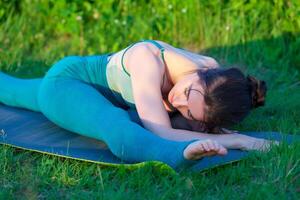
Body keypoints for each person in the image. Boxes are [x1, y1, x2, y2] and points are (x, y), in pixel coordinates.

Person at [0, 39, 277, 170]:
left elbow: (196, 116)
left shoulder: (210, 75)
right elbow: (163, 132)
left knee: (9, 89)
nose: (176, 100)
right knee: (116, 127)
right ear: (202, 76)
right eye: (187, 91)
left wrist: (214, 128)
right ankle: (174, 158)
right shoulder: (148, 59)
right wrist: (240, 140)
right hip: (68, 85)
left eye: (188, 110)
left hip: (102, 97)